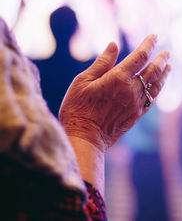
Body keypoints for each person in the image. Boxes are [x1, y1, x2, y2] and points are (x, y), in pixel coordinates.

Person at [0, 16, 171, 220]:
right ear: (76, 30)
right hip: (66, 158)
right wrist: (88, 135)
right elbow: (77, 212)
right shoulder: (83, 67)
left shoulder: (38, 65)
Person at [33, 6, 88, 117]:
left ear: (50, 28)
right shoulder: (86, 70)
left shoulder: (36, 69)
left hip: (46, 133)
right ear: (76, 29)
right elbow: (123, 56)